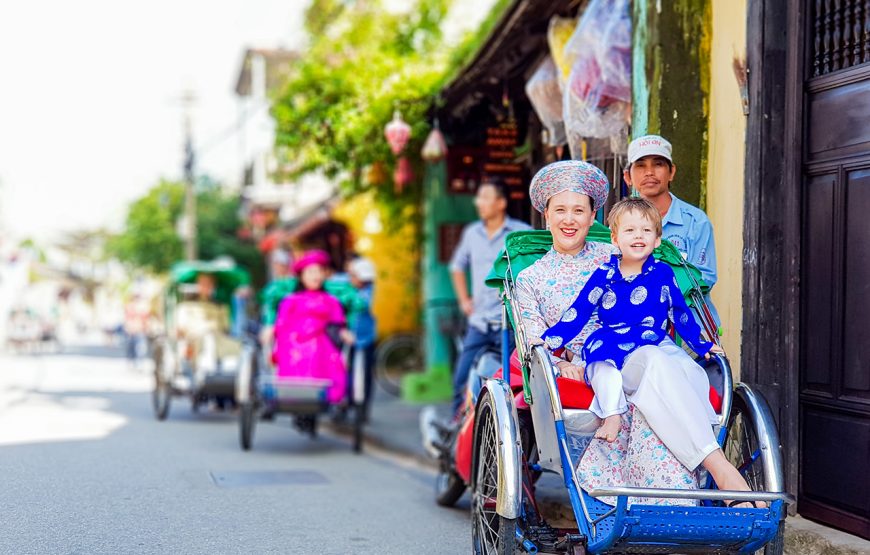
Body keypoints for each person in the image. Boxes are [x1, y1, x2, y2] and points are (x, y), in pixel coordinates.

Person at [516, 160, 758, 507]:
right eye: (561, 211)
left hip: (643, 353)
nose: (570, 220)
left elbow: (674, 303)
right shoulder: (531, 278)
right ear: (547, 216)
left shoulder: (616, 251)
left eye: (579, 211)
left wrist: (703, 343)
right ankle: (719, 469)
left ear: (593, 217)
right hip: (591, 363)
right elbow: (541, 337)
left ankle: (684, 489)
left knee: (662, 361)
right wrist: (564, 360)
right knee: (657, 363)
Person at [541, 198, 723, 445]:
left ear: (657, 239)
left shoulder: (662, 273)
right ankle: (612, 415)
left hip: (654, 339)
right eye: (630, 230)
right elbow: (579, 312)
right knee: (601, 369)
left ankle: (705, 423)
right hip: (611, 339)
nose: (639, 236)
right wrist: (549, 341)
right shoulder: (604, 274)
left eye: (646, 230)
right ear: (615, 239)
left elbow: (679, 313)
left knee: (690, 369)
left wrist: (701, 345)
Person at [449, 180, 531, 414]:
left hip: (511, 323)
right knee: (461, 377)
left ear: (501, 203)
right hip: (480, 322)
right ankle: (456, 429)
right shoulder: (471, 233)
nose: (479, 203)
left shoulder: (519, 233)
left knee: (516, 381)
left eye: (485, 197)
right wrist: (464, 300)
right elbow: (457, 266)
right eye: (479, 198)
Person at [623, 134, 719, 322]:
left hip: (689, 329)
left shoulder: (696, 222)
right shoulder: (620, 223)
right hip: (635, 326)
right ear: (628, 176)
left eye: (658, 164)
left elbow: (704, 278)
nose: (649, 172)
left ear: (671, 172)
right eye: (641, 165)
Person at [273, 250, 354, 404]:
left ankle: (321, 395)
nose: (315, 276)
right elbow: (281, 325)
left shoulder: (331, 301)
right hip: (293, 343)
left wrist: (344, 333)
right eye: (310, 271)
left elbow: (339, 324)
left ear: (324, 274)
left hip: (321, 342)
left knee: (321, 353)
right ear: (302, 275)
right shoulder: (291, 300)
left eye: (319, 271)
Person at [347, 256, 377, 420]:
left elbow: (362, 304)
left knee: (365, 375)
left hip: (366, 340)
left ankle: (363, 409)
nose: (351, 279)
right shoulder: (352, 289)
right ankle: (349, 403)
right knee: (348, 372)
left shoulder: (368, 292)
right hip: (349, 339)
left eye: (354, 275)